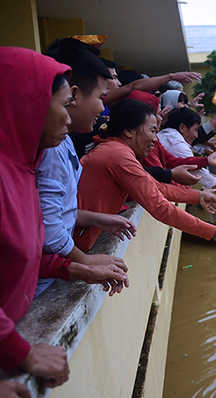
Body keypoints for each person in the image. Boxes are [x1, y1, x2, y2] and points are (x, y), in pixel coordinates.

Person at [0, 47, 127, 388]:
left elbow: (21, 255)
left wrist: (75, 269)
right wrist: (18, 351)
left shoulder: (25, 168)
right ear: (28, 103)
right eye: (62, 104)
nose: (69, 117)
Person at [74, 99, 216, 252]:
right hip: (72, 241)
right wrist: (212, 232)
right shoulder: (119, 155)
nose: (156, 139)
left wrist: (197, 196)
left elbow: (155, 187)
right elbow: (160, 207)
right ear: (128, 131)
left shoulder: (118, 151)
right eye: (152, 131)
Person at [38, 37, 137, 296]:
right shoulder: (52, 149)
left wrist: (97, 218)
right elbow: (48, 231)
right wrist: (84, 260)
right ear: (73, 94)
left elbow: (57, 210)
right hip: (40, 285)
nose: (103, 108)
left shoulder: (64, 141)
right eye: (101, 97)